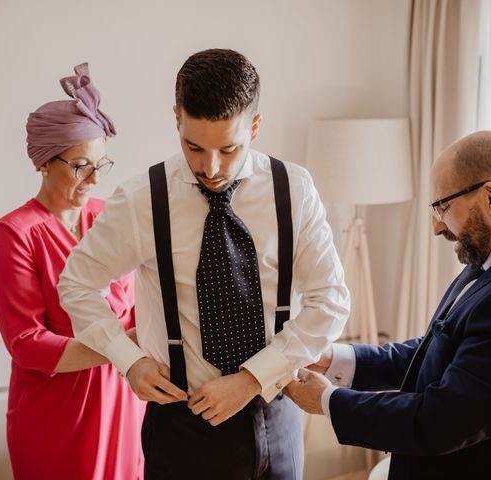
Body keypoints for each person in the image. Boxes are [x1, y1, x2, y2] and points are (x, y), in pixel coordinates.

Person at [58, 49, 350, 479]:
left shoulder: (294, 190)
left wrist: (252, 379)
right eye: (194, 147)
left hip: (276, 411)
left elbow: (331, 302)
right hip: (181, 425)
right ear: (176, 118)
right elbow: (77, 284)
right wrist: (129, 360)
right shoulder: (141, 200)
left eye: (228, 149)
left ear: (255, 125)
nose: (210, 168)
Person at [285, 130, 491, 479]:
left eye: (442, 207)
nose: (436, 227)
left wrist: (328, 401)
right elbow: (439, 354)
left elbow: (442, 421)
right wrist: (336, 359)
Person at [0, 63, 145, 480]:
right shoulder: (15, 233)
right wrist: (118, 347)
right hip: (59, 412)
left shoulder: (108, 217)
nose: (94, 179)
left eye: (101, 164)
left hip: (124, 400)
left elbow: (136, 306)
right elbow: (26, 342)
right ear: (43, 162)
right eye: (80, 166)